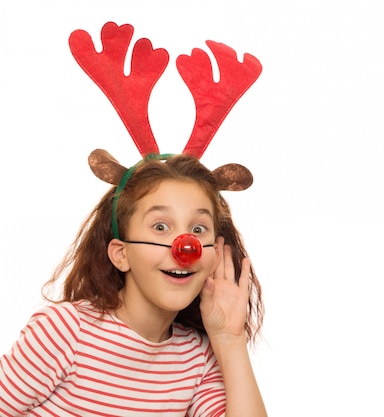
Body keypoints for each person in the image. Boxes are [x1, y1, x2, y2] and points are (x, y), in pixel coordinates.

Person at [0, 21, 267, 416]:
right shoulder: (64, 332)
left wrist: (228, 338)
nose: (185, 246)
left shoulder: (196, 359)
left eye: (198, 229)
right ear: (120, 253)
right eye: (160, 226)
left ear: (214, 254)